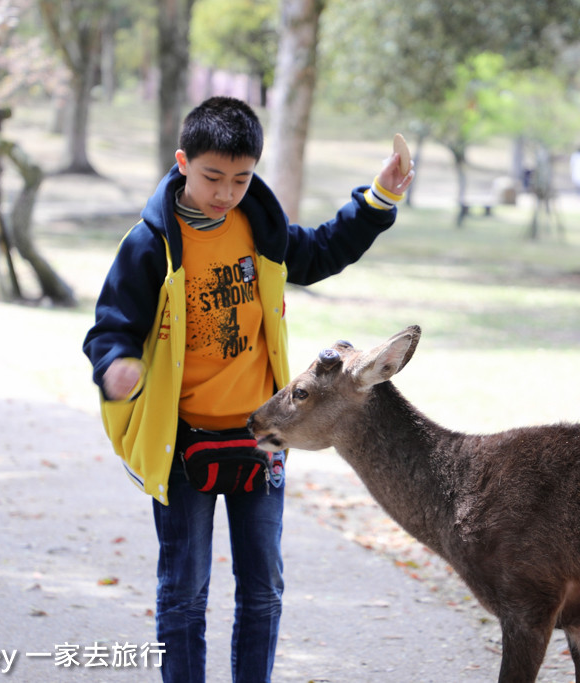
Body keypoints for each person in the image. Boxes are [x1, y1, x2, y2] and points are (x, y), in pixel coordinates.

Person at [82, 96, 414, 683]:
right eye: (212, 177)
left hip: (264, 438)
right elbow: (112, 327)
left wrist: (378, 198)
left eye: (241, 179)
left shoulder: (258, 230)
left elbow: (325, 248)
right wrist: (116, 366)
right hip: (182, 443)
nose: (226, 192)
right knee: (183, 590)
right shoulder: (148, 245)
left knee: (263, 589)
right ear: (183, 162)